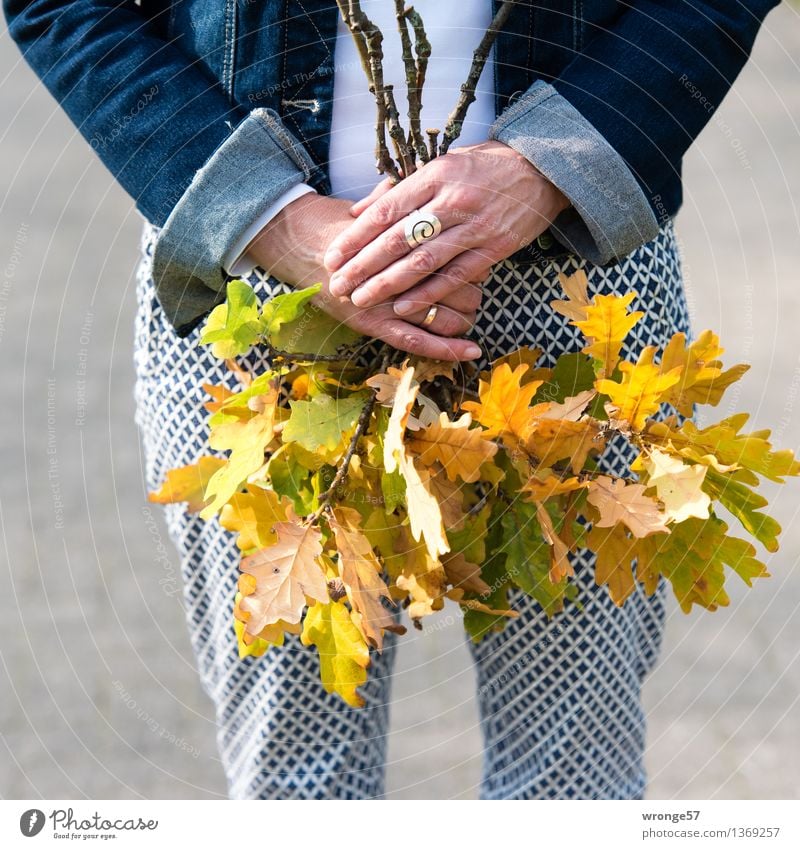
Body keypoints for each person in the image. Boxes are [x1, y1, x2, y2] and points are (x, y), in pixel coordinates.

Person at [4, 0, 779, 800]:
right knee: (298, 787)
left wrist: (554, 162)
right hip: (260, 291)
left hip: (573, 279)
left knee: (573, 783)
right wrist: (271, 219)